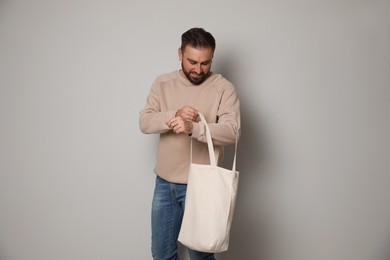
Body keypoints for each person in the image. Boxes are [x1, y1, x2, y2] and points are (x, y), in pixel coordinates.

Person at [139, 27, 241, 260]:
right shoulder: (162, 83)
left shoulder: (223, 88)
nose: (198, 69)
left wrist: (193, 129)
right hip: (165, 183)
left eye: (205, 63)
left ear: (212, 58)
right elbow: (145, 122)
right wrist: (174, 114)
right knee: (162, 254)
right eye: (192, 61)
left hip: (202, 186)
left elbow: (232, 132)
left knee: (200, 257)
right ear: (180, 54)